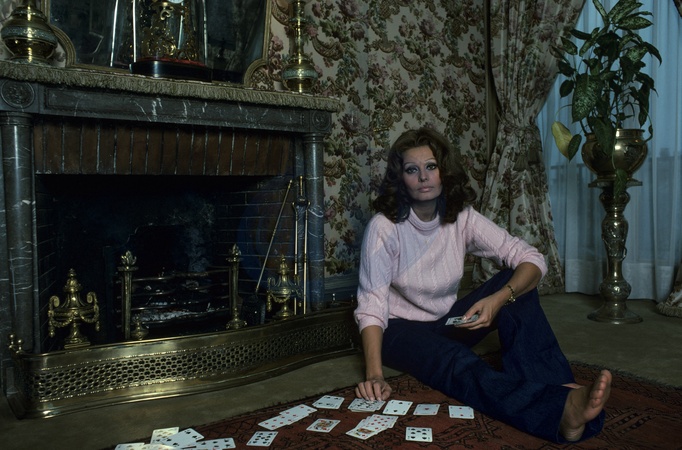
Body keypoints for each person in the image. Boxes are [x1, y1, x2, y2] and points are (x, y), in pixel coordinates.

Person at [353, 127, 612, 443]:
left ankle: (558, 389)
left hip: (446, 321)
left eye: (431, 166)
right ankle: (556, 411)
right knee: (457, 361)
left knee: (514, 286)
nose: (423, 177)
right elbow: (372, 305)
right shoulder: (384, 227)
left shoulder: (461, 217)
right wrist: (374, 374)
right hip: (397, 331)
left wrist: (501, 297)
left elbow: (531, 259)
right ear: (400, 178)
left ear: (444, 171)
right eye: (411, 169)